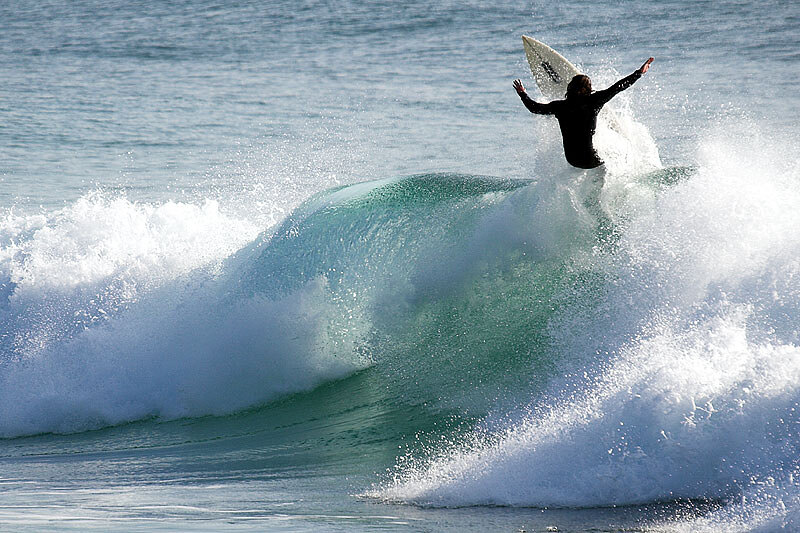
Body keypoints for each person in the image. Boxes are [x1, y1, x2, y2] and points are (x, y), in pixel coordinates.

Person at [513, 57, 654, 169]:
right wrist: (639, 73)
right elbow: (618, 87)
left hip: (572, 160)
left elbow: (534, 108)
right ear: (589, 88)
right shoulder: (595, 100)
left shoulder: (559, 106)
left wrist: (522, 94)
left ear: (570, 88)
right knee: (616, 158)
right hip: (590, 160)